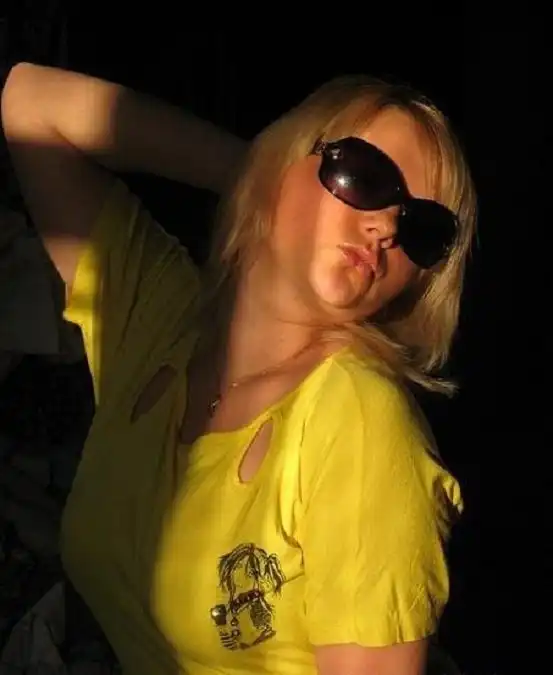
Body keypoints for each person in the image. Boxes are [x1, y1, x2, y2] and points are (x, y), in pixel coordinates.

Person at [1, 61, 477, 675]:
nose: (386, 226)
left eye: (422, 229)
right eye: (363, 177)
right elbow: (30, 106)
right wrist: (254, 172)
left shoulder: (359, 421)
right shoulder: (155, 320)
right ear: (287, 159)